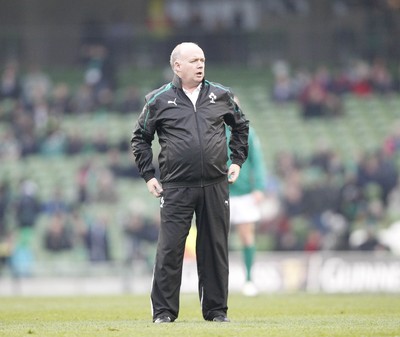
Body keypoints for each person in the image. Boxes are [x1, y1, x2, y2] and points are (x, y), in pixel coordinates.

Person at [131, 42, 249, 324]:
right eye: (194, 60)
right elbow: (140, 139)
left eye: (203, 60)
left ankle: (217, 311)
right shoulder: (157, 100)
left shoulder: (221, 95)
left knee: (215, 249)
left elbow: (241, 126)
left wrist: (237, 161)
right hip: (175, 187)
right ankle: (163, 313)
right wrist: (149, 176)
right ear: (177, 66)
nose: (200, 65)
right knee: (170, 250)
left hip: (216, 185)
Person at [227, 96, 266, 297]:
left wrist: (259, 187)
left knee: (246, 235)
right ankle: (214, 280)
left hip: (243, 193)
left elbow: (257, 161)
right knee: (215, 238)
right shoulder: (212, 130)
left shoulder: (247, 132)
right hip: (219, 191)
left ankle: (249, 279)